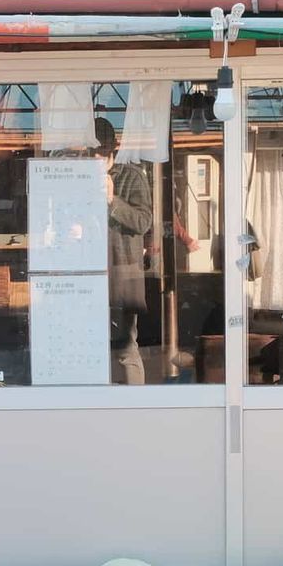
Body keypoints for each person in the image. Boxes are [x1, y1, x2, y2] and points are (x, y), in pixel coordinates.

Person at [97, 117, 155, 383]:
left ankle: (135, 403)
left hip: (123, 271)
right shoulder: (77, 174)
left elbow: (143, 222)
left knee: (125, 346)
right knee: (90, 345)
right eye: (89, 153)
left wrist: (112, 200)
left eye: (99, 153)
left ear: (113, 150)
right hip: (89, 271)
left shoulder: (131, 176)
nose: (94, 159)